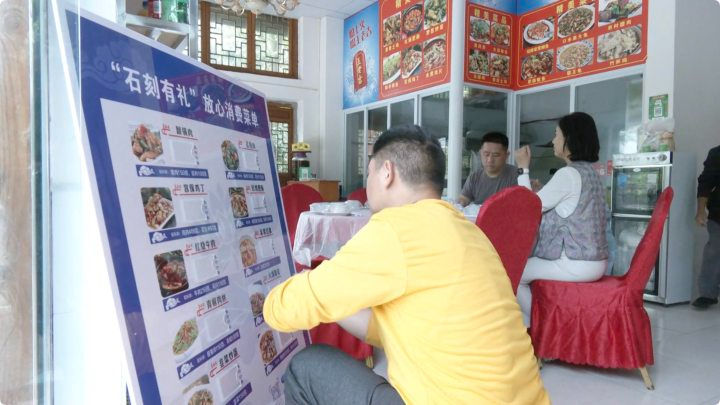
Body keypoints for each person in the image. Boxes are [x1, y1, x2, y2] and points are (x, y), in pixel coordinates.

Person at [264, 125, 548, 404]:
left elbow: (284, 311)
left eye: (370, 171)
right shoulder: (469, 232)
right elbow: (390, 329)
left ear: (386, 172)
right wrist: (333, 298)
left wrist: (265, 296)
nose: (368, 182)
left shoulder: (395, 228)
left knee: (306, 368)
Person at [514, 112, 608, 326]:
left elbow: (528, 208)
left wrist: (522, 168)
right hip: (596, 261)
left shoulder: (568, 174)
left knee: (513, 272)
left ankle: (544, 326)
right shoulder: (590, 173)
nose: (553, 140)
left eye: (557, 134)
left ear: (570, 139)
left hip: (575, 263)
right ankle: (533, 331)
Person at [692, 145, 720, 309]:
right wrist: (700, 210)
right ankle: (707, 294)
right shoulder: (717, 153)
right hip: (718, 214)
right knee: (714, 253)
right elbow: (706, 183)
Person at [458, 131, 518, 206]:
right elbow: (464, 198)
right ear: (481, 153)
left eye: (495, 155)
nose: (490, 160)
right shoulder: (474, 177)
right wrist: (462, 202)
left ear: (506, 155)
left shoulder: (516, 176)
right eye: (486, 154)